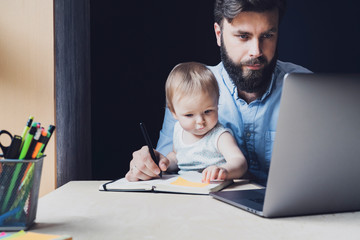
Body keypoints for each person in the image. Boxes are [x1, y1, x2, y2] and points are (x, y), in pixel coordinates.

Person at [125, 0, 311, 184]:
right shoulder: (189, 90)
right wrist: (149, 164)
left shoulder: (307, 88)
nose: (256, 51)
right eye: (243, 36)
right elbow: (168, 165)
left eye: (268, 35)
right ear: (218, 34)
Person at [160, 62, 247, 182]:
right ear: (173, 112)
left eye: (207, 111)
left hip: (215, 188)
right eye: (189, 115)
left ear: (217, 103)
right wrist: (166, 163)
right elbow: (177, 156)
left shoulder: (219, 136)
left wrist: (224, 170)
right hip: (187, 189)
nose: (200, 121)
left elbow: (239, 161)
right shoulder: (178, 131)